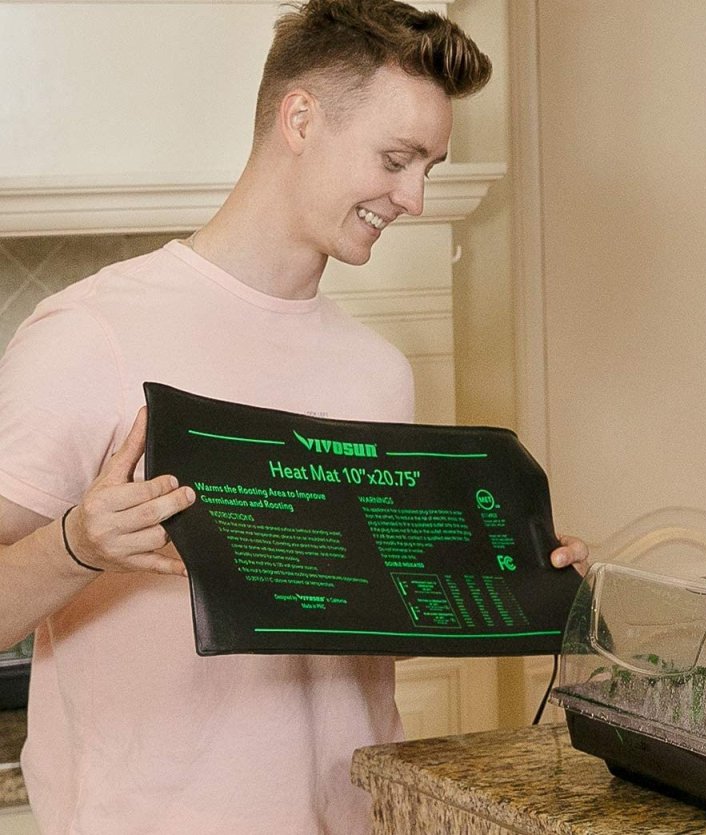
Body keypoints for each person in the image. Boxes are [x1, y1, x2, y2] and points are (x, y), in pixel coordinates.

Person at [0, 1, 588, 832]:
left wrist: (515, 574)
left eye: (430, 166)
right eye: (396, 158)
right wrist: (76, 543)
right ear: (301, 118)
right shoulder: (92, 334)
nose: (415, 197)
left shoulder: (377, 372)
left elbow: (370, 632)